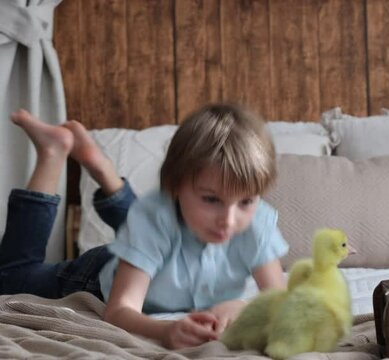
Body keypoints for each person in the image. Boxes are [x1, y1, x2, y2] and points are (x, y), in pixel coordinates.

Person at [0, 104, 289, 349]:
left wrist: (243, 307)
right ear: (175, 188)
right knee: (11, 277)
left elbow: (280, 299)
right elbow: (120, 310)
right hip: (108, 272)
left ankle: (101, 166)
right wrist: (165, 331)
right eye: (211, 199)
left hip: (169, 246)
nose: (229, 220)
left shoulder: (256, 220)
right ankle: (53, 152)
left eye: (246, 202)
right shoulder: (154, 224)